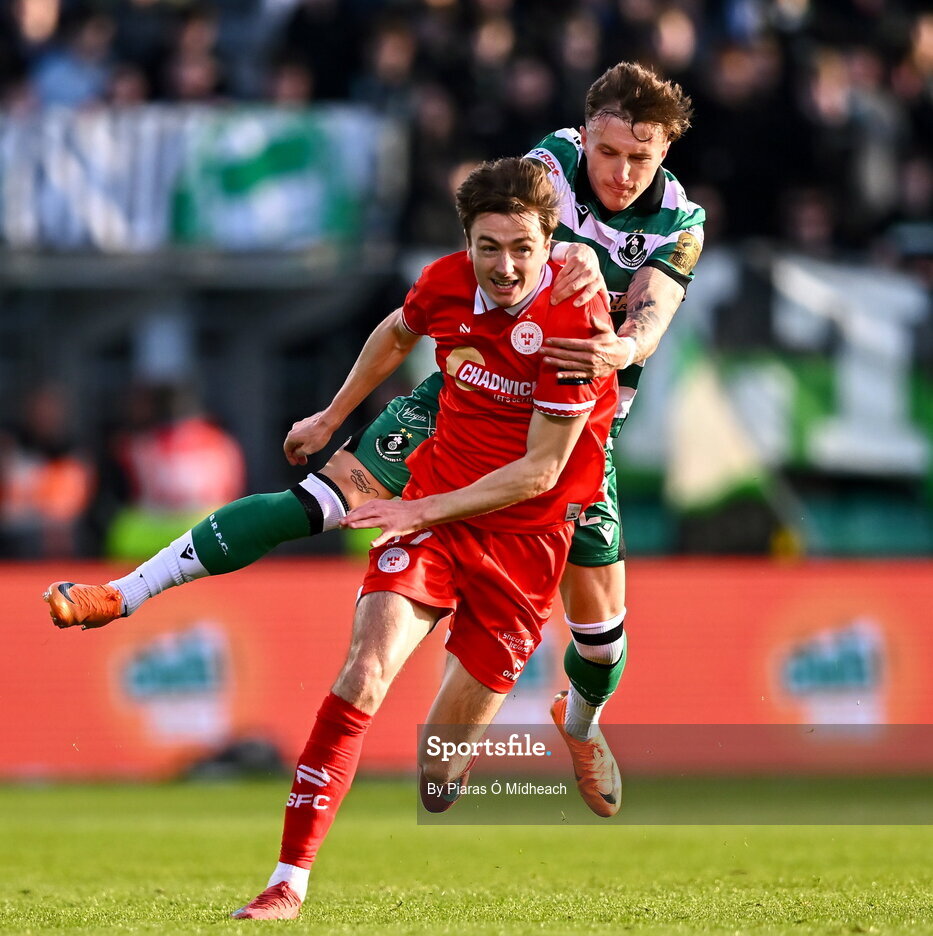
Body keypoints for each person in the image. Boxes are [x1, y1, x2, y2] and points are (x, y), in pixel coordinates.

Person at [44, 60, 705, 819]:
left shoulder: (679, 219)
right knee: (318, 500)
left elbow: (651, 314)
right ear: (584, 135)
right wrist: (330, 417)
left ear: (664, 155)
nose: (620, 173)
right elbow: (494, 238)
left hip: (567, 434)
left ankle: (581, 726)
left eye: (639, 159)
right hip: (463, 395)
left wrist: (619, 350)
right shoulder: (548, 165)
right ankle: (124, 594)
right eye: (609, 152)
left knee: (599, 643)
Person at [232, 156, 613, 917]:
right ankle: (286, 884)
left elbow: (538, 474)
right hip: (437, 515)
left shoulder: (576, 326)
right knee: (362, 675)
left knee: (437, 777)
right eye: (487, 247)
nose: (503, 268)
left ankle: (467, 757)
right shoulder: (445, 281)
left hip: (523, 544)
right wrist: (333, 416)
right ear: (466, 242)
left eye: (521, 249)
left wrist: (411, 511)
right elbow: (397, 330)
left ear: (550, 247)